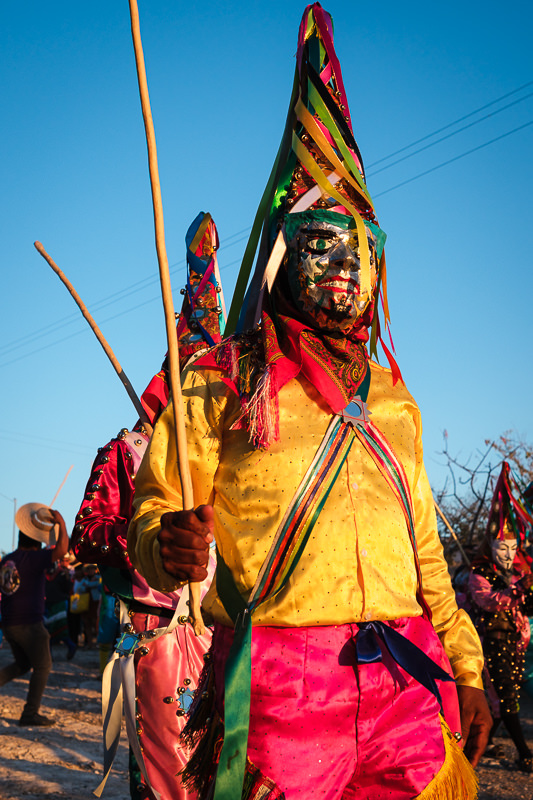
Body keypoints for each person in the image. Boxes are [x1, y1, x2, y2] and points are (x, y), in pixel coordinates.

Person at [128, 6, 491, 799]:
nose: (342, 265)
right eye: (320, 242)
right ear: (282, 259)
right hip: (281, 692)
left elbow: (426, 550)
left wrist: (464, 664)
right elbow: (153, 512)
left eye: (357, 246)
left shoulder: (395, 397)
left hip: (407, 676)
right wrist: (168, 545)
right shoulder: (220, 379)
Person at [71, 212, 223, 800]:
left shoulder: (232, 448)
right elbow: (89, 533)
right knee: (164, 784)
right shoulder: (127, 451)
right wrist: (151, 543)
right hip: (155, 639)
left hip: (235, 640)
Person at [469, 461, 533, 772]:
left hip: (516, 643)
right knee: (506, 696)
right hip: (492, 641)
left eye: (512, 549)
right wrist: (517, 590)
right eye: (501, 549)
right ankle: (525, 753)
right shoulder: (479, 571)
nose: (507, 555)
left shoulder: (520, 572)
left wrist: (528, 589)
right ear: (491, 546)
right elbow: (488, 602)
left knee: (503, 698)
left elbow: (528, 609)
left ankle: (477, 743)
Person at [0, 502, 69, 726]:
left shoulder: (7, 560)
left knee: (22, 665)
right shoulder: (34, 558)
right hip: (29, 623)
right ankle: (30, 714)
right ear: (37, 541)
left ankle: (30, 712)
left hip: (9, 623)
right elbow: (62, 550)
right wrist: (61, 523)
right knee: (42, 666)